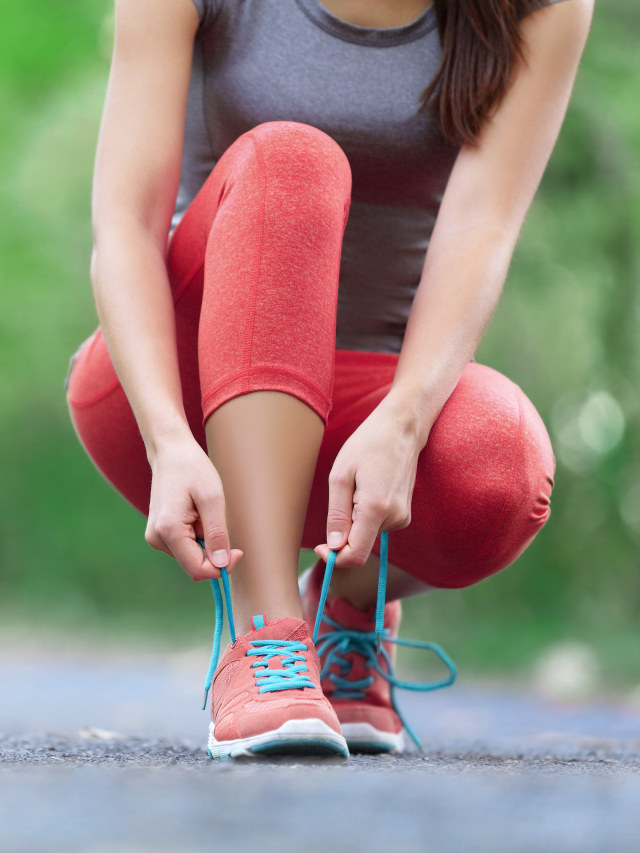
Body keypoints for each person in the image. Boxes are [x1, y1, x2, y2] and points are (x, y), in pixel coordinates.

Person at [65, 0, 593, 759]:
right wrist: (167, 438)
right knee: (292, 159)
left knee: (501, 465)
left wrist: (405, 421)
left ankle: (344, 602)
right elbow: (125, 224)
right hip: (178, 389)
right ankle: (265, 636)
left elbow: (483, 225)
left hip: (367, 412)